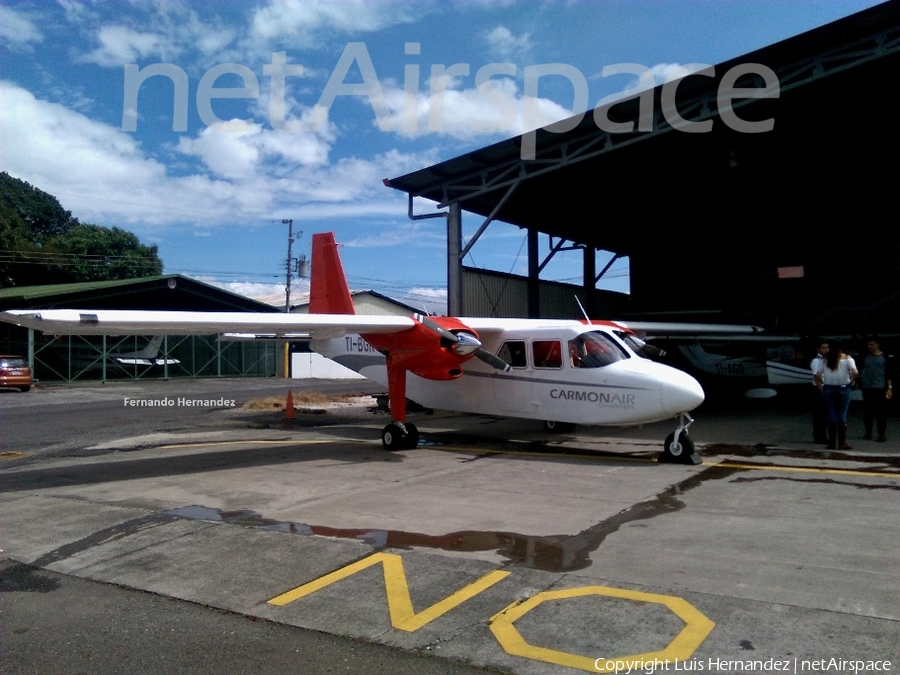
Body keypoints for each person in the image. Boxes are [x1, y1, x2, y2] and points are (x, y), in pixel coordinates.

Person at [815, 341, 858, 450]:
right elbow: (855, 372)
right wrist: (850, 381)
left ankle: (832, 442)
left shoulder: (824, 360)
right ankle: (842, 442)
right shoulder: (848, 358)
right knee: (842, 414)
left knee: (831, 413)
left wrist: (823, 386)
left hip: (829, 388)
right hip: (843, 387)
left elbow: (817, 375)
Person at [859, 337, 894, 442]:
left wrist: (889, 388)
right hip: (867, 387)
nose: (870, 347)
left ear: (877, 344)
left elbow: (889, 374)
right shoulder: (866, 356)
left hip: (880, 387)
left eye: (872, 344)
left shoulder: (884, 357)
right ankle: (868, 432)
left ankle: (881, 433)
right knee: (867, 412)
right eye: (869, 344)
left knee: (881, 412)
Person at [809, 339, 829, 444]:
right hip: (819, 389)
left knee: (825, 415)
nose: (826, 350)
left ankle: (823, 436)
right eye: (823, 347)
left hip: (826, 388)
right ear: (818, 349)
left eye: (827, 347)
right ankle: (819, 437)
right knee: (819, 415)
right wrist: (823, 391)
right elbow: (817, 377)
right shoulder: (816, 361)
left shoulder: (827, 360)